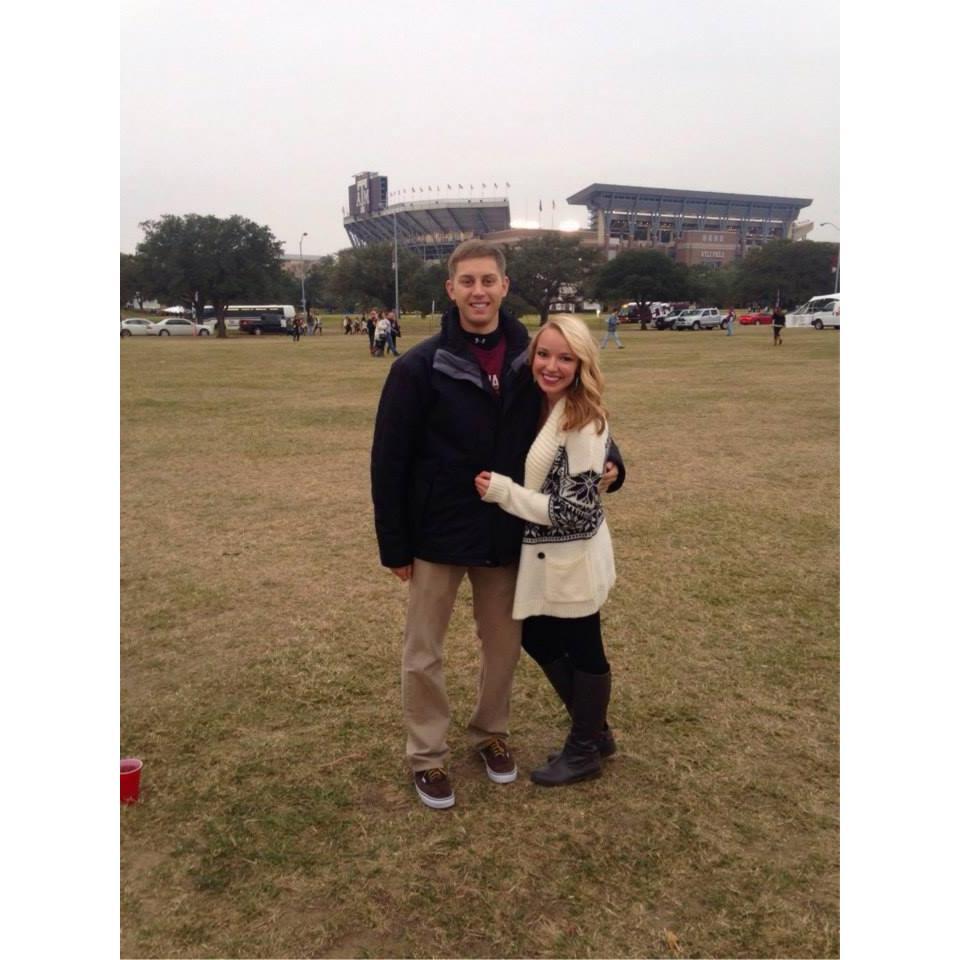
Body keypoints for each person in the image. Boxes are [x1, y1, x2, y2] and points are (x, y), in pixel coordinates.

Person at [371, 239, 624, 810]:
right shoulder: (418, 365)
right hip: (436, 532)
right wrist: (395, 544)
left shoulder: (529, 356)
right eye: (468, 282)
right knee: (424, 652)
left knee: (503, 646)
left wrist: (616, 461)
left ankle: (490, 734)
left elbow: (577, 410)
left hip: (507, 532)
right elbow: (388, 460)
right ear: (451, 289)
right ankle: (428, 756)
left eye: (489, 280)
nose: (479, 291)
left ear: (505, 286)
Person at [475, 315, 617, 787]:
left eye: (565, 357)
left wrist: (503, 493)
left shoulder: (584, 421)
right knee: (535, 635)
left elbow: (573, 511)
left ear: (581, 364)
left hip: (571, 555)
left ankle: (584, 749)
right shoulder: (537, 403)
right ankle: (593, 731)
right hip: (544, 556)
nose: (551, 365)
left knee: (583, 647)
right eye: (543, 353)